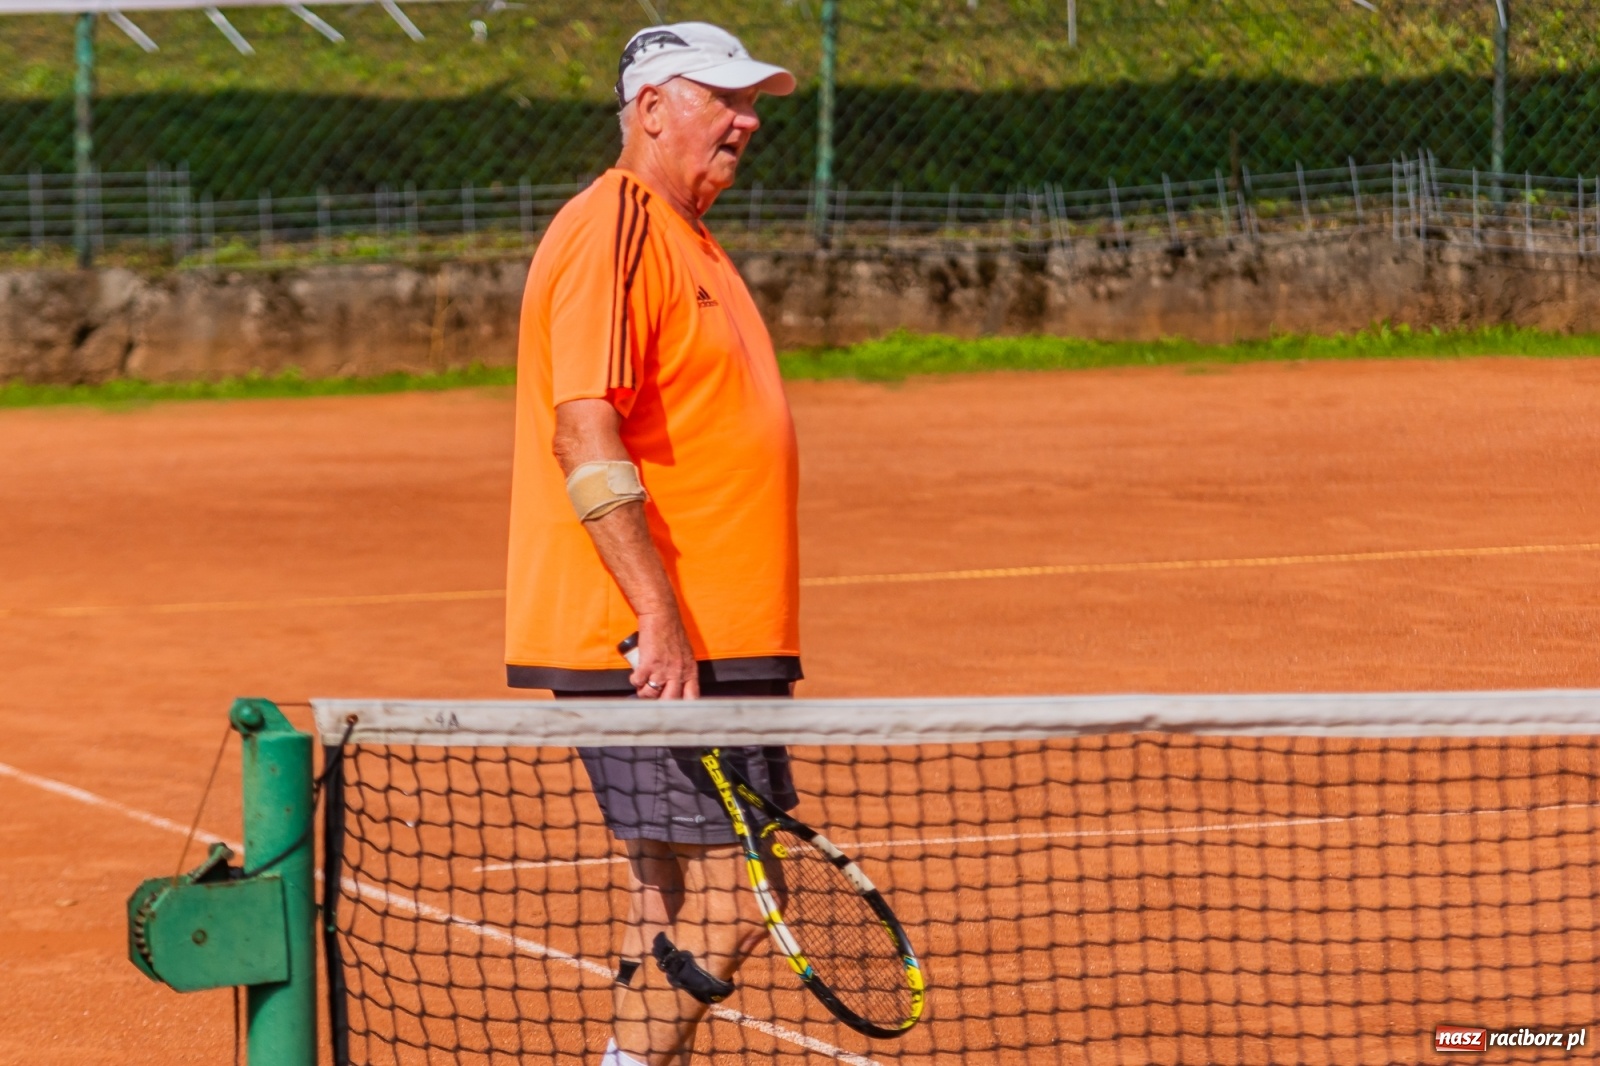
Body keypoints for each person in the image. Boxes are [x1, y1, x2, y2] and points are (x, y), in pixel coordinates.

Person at [503, 22, 801, 1066]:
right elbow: (584, 432)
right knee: (736, 894)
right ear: (653, 108)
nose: (748, 118)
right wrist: (660, 620)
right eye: (724, 98)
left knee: (663, 888)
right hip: (667, 644)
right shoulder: (616, 223)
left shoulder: (686, 236)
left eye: (752, 100)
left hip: (693, 635)